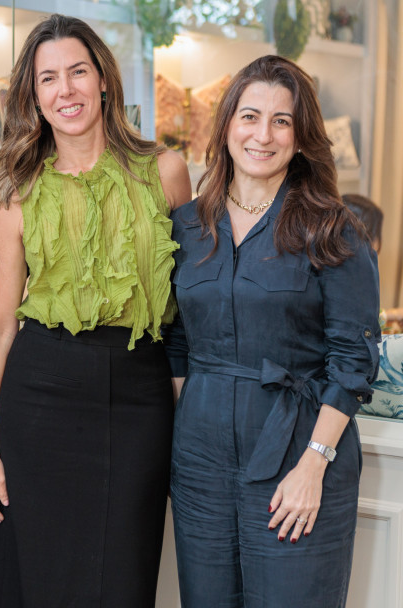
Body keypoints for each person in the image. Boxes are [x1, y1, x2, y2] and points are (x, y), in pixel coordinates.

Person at [0, 14, 191, 607]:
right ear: (34, 95)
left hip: (139, 395)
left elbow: (186, 305)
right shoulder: (16, 190)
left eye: (77, 72)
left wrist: (177, 387)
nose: (65, 90)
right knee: (41, 571)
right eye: (49, 78)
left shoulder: (166, 173)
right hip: (41, 390)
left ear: (103, 80)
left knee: (124, 572)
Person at [165, 55, 380, 607]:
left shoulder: (333, 229)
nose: (263, 135)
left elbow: (352, 363)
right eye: (250, 116)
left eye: (281, 121)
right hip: (201, 465)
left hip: (297, 456)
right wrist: (196, 418)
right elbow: (178, 341)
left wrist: (314, 464)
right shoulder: (187, 225)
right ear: (227, 126)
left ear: (301, 136)